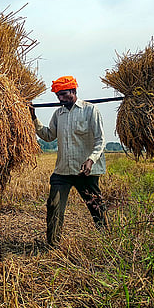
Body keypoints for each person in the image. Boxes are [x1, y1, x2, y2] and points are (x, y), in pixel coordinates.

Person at [29, 76, 108, 247]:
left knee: (96, 208)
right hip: (62, 171)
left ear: (73, 91)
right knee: (53, 205)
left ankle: (107, 241)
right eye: (58, 95)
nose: (60, 99)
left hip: (85, 171)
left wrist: (91, 160)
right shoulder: (59, 114)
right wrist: (34, 119)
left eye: (64, 94)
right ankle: (52, 245)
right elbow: (49, 136)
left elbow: (100, 140)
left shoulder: (90, 110)